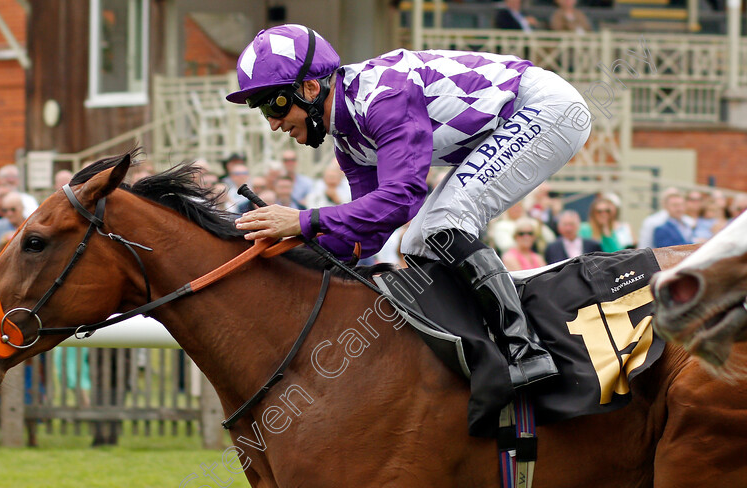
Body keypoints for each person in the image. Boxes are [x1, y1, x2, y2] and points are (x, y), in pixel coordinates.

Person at [228, 25, 592, 399]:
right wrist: (289, 249)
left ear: (309, 88)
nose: (273, 123)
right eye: (263, 111)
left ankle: (526, 352)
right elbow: (369, 229)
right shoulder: (348, 139)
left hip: (546, 109)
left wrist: (302, 220)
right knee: (419, 238)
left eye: (275, 104)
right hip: (512, 119)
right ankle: (471, 353)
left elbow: (402, 196)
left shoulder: (383, 97)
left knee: (443, 222)